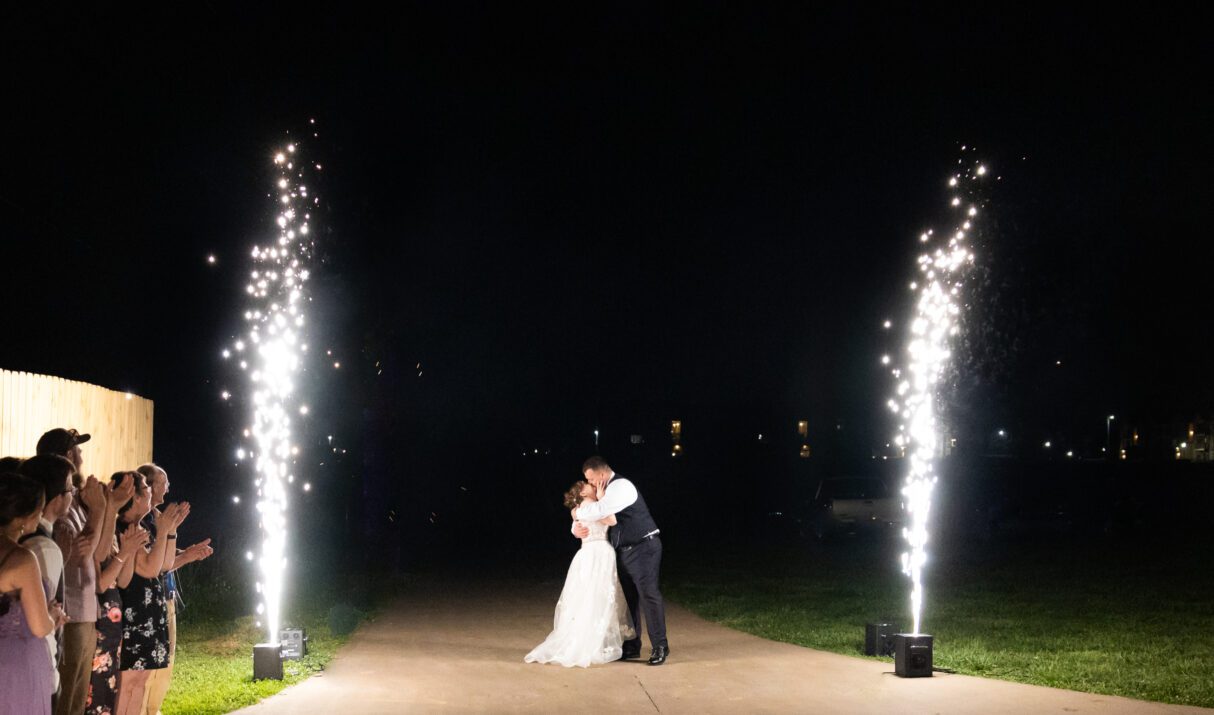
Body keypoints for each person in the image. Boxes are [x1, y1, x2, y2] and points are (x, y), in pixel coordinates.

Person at [38, 427, 110, 715]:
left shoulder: (75, 501)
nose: (81, 455)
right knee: (67, 697)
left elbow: (96, 552)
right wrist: (101, 510)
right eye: (77, 449)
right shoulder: (60, 507)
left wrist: (104, 507)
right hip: (70, 612)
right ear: (68, 455)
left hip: (84, 609)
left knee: (77, 698)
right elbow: (83, 553)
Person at [572, 456, 669, 665]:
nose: (588, 483)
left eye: (590, 479)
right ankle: (632, 645)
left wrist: (576, 511)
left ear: (600, 474)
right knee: (628, 600)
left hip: (644, 547)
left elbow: (602, 511)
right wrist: (575, 526)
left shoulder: (620, 487)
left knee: (648, 595)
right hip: (623, 551)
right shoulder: (602, 494)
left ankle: (660, 646)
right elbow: (594, 519)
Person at [525, 481, 634, 668]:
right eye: (590, 485)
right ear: (583, 492)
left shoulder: (577, 510)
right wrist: (602, 500)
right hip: (598, 552)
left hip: (586, 553)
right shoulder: (593, 506)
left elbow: (577, 523)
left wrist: (575, 529)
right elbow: (612, 521)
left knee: (585, 596)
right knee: (597, 597)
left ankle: (588, 639)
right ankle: (592, 643)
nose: (595, 487)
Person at [137, 463, 213, 714]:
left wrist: (189, 552)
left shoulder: (159, 517)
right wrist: (187, 557)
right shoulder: (143, 522)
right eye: (163, 482)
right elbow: (157, 564)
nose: (168, 487)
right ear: (148, 485)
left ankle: (155, 708)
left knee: (167, 659)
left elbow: (168, 555)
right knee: (153, 664)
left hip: (166, 598)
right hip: (149, 601)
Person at [114, 471, 187, 715]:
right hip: (133, 613)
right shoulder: (123, 527)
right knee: (127, 684)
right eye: (146, 488)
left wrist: (171, 530)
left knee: (141, 682)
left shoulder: (141, 525)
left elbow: (165, 564)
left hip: (149, 612)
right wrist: (163, 530)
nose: (151, 493)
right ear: (134, 497)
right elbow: (149, 568)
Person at [0, 472, 67, 715]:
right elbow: (39, 627)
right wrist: (52, 616)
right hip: (17, 663)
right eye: (38, 510)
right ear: (23, 519)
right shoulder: (22, 558)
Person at [20, 453, 84, 695]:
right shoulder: (43, 546)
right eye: (70, 489)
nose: (74, 494)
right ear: (56, 498)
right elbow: (38, 616)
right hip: (36, 663)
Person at [86, 472, 147, 715]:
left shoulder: (112, 533)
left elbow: (123, 579)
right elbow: (101, 582)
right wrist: (124, 553)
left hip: (113, 624)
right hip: (99, 622)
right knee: (96, 696)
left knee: (108, 693)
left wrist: (129, 550)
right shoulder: (96, 530)